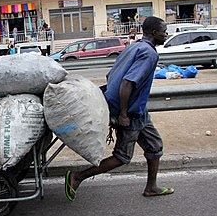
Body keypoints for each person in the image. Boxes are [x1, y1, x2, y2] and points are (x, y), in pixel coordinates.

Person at [65, 16, 174, 202]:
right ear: (154, 33)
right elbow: (127, 83)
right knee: (122, 157)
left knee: (155, 147)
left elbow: (110, 75)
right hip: (129, 112)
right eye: (164, 31)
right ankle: (77, 177)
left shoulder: (133, 46)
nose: (166, 34)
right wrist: (123, 114)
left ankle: (151, 187)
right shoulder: (149, 53)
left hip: (138, 111)